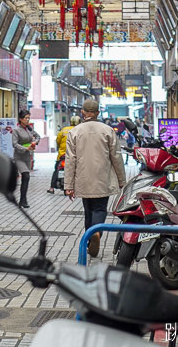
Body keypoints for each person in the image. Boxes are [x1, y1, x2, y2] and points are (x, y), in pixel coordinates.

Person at [64, 99, 126, 258]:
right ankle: (96, 233)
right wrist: (121, 180)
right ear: (98, 113)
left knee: (88, 210)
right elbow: (116, 157)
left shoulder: (75, 132)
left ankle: (89, 239)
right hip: (102, 177)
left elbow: (70, 159)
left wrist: (68, 185)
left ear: (82, 112)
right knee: (99, 209)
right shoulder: (108, 130)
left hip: (83, 178)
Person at [12, 109, 40, 208]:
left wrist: (34, 142)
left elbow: (38, 137)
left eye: (28, 118)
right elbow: (14, 144)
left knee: (26, 179)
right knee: (26, 175)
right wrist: (25, 148)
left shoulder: (30, 129)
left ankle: (23, 200)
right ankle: (23, 199)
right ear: (20, 119)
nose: (27, 120)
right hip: (19, 157)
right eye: (25, 118)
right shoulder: (16, 130)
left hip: (28, 157)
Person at [48, 115, 79, 194]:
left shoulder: (64, 130)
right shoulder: (79, 130)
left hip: (62, 154)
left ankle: (51, 188)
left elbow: (58, 141)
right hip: (74, 155)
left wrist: (61, 147)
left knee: (56, 170)